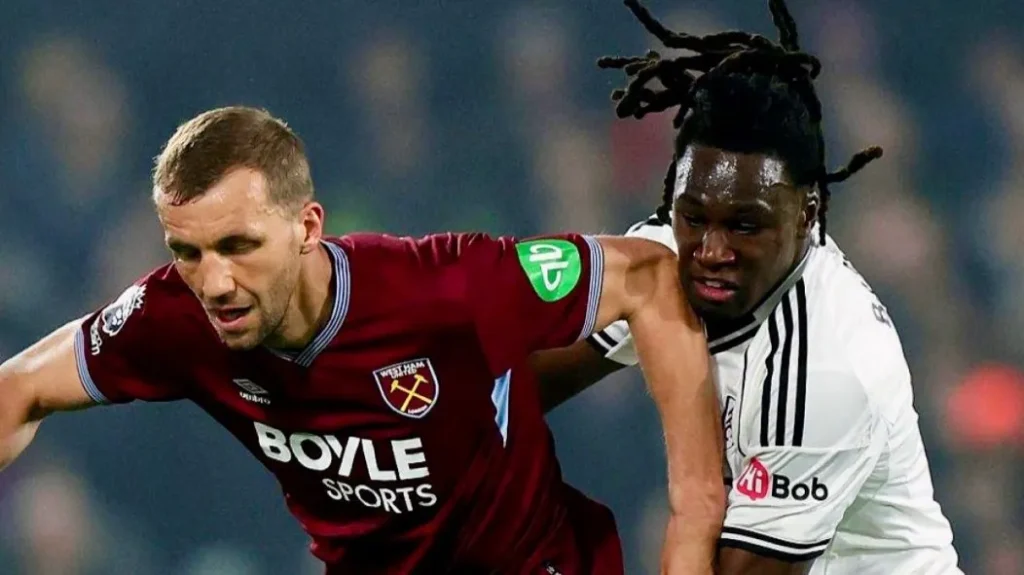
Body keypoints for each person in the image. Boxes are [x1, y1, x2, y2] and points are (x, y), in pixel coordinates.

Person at [0, 105, 724, 574]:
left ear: (308, 227)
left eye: (238, 245)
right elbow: (20, 386)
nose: (214, 281)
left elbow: (646, 273)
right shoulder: (176, 315)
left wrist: (695, 510)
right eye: (186, 252)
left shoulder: (443, 287)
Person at [532, 1, 963, 573]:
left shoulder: (826, 372)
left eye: (744, 226)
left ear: (807, 214)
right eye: (693, 217)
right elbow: (508, 387)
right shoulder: (666, 255)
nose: (711, 251)